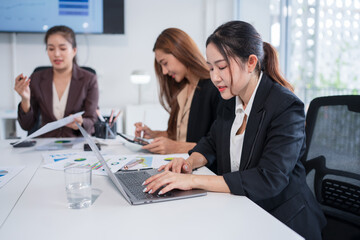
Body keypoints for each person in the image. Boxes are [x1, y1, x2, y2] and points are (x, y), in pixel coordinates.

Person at [143, 21, 326, 239]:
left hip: (283, 221)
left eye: (221, 67)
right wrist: (189, 163)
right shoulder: (231, 100)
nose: (214, 77)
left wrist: (191, 181)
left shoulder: (286, 107)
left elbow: (269, 178)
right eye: (211, 68)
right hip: (242, 212)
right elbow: (211, 142)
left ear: (250, 63)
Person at [135, 28, 220, 155]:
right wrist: (154, 134)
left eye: (165, 63)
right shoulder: (183, 89)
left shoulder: (214, 88)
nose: (164, 71)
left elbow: (218, 145)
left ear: (181, 52)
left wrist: (177, 148)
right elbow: (184, 136)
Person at [14, 25, 99, 137]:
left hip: (76, 144)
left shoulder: (89, 79)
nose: (56, 54)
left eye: (62, 48)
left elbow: (91, 120)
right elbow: (27, 125)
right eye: (51, 49)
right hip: (46, 144)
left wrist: (81, 122)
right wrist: (25, 100)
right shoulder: (37, 78)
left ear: (74, 50)